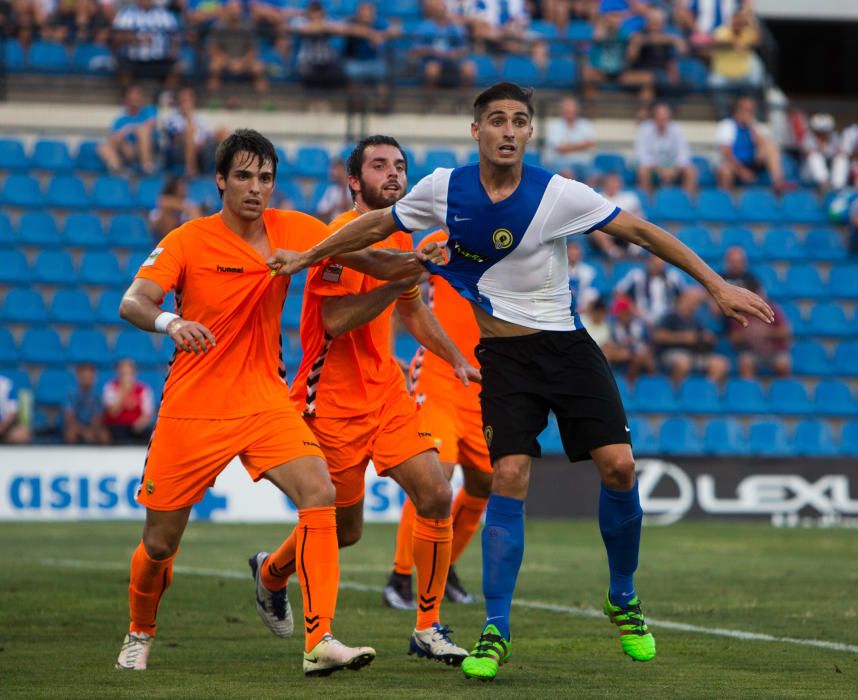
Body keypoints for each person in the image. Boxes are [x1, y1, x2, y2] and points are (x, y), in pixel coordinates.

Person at [266, 82, 774, 681]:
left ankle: (624, 597)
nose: (509, 130)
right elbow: (376, 226)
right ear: (475, 130)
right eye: (498, 120)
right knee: (506, 476)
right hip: (504, 361)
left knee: (621, 468)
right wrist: (305, 257)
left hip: (568, 349)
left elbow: (641, 233)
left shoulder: (557, 194)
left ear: (530, 132)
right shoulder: (442, 190)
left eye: (520, 121)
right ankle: (494, 629)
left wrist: (715, 285)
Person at [113, 128, 434, 676]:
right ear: (220, 180)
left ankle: (319, 641)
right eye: (243, 176)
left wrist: (414, 265)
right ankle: (140, 630)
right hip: (194, 406)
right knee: (159, 544)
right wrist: (173, 321)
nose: (256, 188)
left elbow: (361, 255)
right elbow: (133, 302)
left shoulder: (292, 229)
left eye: (265, 177)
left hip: (265, 399)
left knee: (320, 491)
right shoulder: (189, 239)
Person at [258, 135, 479, 666]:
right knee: (345, 530)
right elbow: (335, 321)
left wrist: (455, 358)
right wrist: (403, 278)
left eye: (400, 165)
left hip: (386, 395)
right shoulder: (337, 238)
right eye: (379, 165)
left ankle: (427, 627)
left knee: (434, 491)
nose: (393, 173)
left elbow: (413, 311)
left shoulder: (402, 239)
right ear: (354, 181)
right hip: (329, 401)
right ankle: (271, 573)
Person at [384, 227, 493, 609]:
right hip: (440, 374)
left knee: (485, 481)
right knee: (436, 474)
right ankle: (400, 577)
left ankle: (444, 567)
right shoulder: (445, 239)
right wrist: (384, 351)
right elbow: (401, 292)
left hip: (485, 382)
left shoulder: (518, 239)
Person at [652, 287, 730, 385]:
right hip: (671, 353)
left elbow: (702, 337)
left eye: (696, 303)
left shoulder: (695, 320)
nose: (694, 305)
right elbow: (658, 336)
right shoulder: (670, 316)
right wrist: (683, 338)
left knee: (720, 364)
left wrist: (706, 338)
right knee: (684, 363)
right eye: (691, 301)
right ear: (682, 299)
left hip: (694, 354)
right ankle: (676, 394)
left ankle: (705, 392)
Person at [715, 95, 784, 192]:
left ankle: (778, 184)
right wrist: (741, 171)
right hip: (733, 164)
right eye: (747, 110)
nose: (750, 113)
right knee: (725, 171)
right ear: (738, 110)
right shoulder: (726, 126)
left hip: (751, 163)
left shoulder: (755, 126)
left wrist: (752, 128)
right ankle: (723, 200)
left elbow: (764, 146)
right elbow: (726, 154)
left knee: (771, 147)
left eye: (752, 110)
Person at [206, 0, 270, 101]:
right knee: (214, 66)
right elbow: (213, 48)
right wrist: (229, 61)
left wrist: (242, 62)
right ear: (227, 10)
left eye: (238, 8)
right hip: (225, 60)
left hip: (244, 61)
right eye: (232, 9)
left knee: (258, 68)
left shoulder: (248, 26)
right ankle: (213, 100)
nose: (235, 11)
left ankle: (265, 102)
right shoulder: (218, 26)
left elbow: (253, 50)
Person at [728, 278, 791, 378]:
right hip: (751, 352)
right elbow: (734, 338)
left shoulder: (771, 308)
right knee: (745, 362)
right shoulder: (741, 311)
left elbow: (786, 332)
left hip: (774, 351)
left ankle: (781, 391)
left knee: (783, 364)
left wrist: (766, 332)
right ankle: (750, 391)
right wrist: (748, 334)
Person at [634, 103, 697, 195]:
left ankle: (687, 201)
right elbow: (641, 155)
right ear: (654, 117)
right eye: (659, 117)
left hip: (673, 168)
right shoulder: (645, 129)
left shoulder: (677, 129)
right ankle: (647, 202)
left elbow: (684, 153)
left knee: (690, 171)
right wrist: (658, 169)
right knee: (643, 171)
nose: (662, 121)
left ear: (669, 118)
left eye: (665, 118)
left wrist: (673, 168)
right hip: (652, 167)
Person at [97, 84, 157, 175]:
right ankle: (117, 169)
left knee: (142, 130)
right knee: (102, 147)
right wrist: (124, 144)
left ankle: (147, 167)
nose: (136, 98)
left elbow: (150, 125)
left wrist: (128, 129)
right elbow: (113, 139)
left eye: (138, 94)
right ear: (126, 100)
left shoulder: (149, 110)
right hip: (128, 150)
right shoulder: (120, 120)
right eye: (132, 95)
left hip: (150, 148)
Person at [615, 254, 686, 325]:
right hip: (640, 318)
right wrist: (634, 310)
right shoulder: (636, 275)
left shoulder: (673, 276)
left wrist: (676, 311)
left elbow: (685, 296)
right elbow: (619, 293)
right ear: (649, 261)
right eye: (654, 262)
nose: (657, 265)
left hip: (669, 319)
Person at [101, 358, 155, 444]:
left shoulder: (143, 389)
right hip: (117, 425)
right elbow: (112, 412)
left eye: (129, 373)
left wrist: (140, 423)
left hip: (136, 426)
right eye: (123, 374)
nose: (126, 377)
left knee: (148, 432)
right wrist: (123, 392)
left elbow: (148, 414)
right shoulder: (110, 388)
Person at [542, 96, 595, 180]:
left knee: (595, 177)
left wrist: (568, 146)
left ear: (577, 111)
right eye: (567, 111)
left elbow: (590, 144)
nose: (570, 113)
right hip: (558, 162)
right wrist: (581, 145)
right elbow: (560, 149)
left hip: (583, 163)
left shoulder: (586, 124)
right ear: (562, 111)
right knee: (567, 173)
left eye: (572, 111)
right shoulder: (554, 125)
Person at [605, 295, 655, 382]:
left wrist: (632, 350)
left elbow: (648, 343)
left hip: (638, 354)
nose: (621, 315)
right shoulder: (613, 326)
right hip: (621, 357)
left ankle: (644, 385)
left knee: (643, 357)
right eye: (619, 313)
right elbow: (610, 345)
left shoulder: (639, 324)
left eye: (624, 312)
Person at [63, 364, 109, 445]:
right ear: (78, 377)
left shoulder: (97, 395)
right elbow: (69, 418)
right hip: (76, 427)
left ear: (94, 378)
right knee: (71, 434)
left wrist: (91, 430)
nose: (87, 380)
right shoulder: (71, 394)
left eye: (90, 377)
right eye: (84, 377)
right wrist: (84, 432)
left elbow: (98, 418)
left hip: (92, 427)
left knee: (104, 435)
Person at [0, 373, 31, 444]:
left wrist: (2, 427)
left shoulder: (5, 384)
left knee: (21, 434)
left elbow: (12, 412)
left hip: (5, 426)